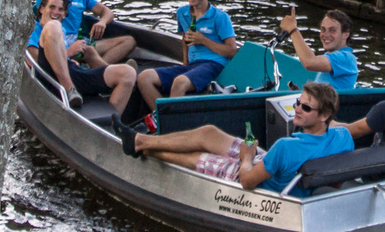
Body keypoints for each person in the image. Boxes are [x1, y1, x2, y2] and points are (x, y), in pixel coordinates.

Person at [118, 80, 352, 198]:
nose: (297, 109)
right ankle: (140, 141)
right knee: (209, 133)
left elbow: (247, 181)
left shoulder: (286, 147)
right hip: (273, 164)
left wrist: (247, 158)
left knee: (200, 158)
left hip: (253, 175)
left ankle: (144, 150)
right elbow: (338, 181)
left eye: (306, 107)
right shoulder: (342, 137)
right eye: (297, 102)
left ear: (324, 115)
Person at [135, 0, 238, 109]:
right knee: (144, 77)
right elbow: (185, 38)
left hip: (213, 65)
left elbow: (232, 51)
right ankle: (162, 118)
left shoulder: (220, 17)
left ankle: (171, 124)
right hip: (192, 65)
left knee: (179, 82)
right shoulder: (182, 13)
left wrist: (203, 40)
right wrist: (185, 63)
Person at [31, 0, 138, 114]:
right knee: (53, 26)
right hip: (50, 77)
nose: (56, 12)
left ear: (65, 14)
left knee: (128, 73)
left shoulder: (62, 30)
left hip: (72, 71)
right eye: (52, 7)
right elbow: (33, 62)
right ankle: (69, 89)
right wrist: (69, 52)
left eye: (60, 9)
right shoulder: (34, 29)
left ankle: (110, 123)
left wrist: (70, 60)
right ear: (41, 9)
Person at [278, 7, 358, 90]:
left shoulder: (346, 58)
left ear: (345, 34)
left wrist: (292, 29)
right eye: (323, 29)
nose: (326, 35)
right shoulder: (329, 56)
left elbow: (309, 62)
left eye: (332, 30)